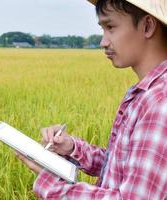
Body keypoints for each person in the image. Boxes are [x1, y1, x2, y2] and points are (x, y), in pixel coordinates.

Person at [16, 0, 167, 199]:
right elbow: (123, 165)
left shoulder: (159, 102)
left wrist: (51, 182)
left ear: (147, 25)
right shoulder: (145, 93)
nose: (103, 42)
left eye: (110, 27)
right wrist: (72, 147)